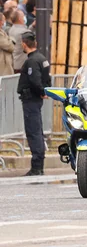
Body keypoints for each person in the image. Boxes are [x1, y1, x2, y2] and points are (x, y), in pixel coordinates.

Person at [16, 32, 50, 176]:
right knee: (37, 131)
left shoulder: (32, 61)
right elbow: (46, 78)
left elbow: (35, 80)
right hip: (36, 99)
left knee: (33, 132)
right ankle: (38, 164)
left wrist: (41, 90)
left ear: (24, 43)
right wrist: (44, 91)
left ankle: (37, 166)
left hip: (31, 99)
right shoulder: (42, 58)